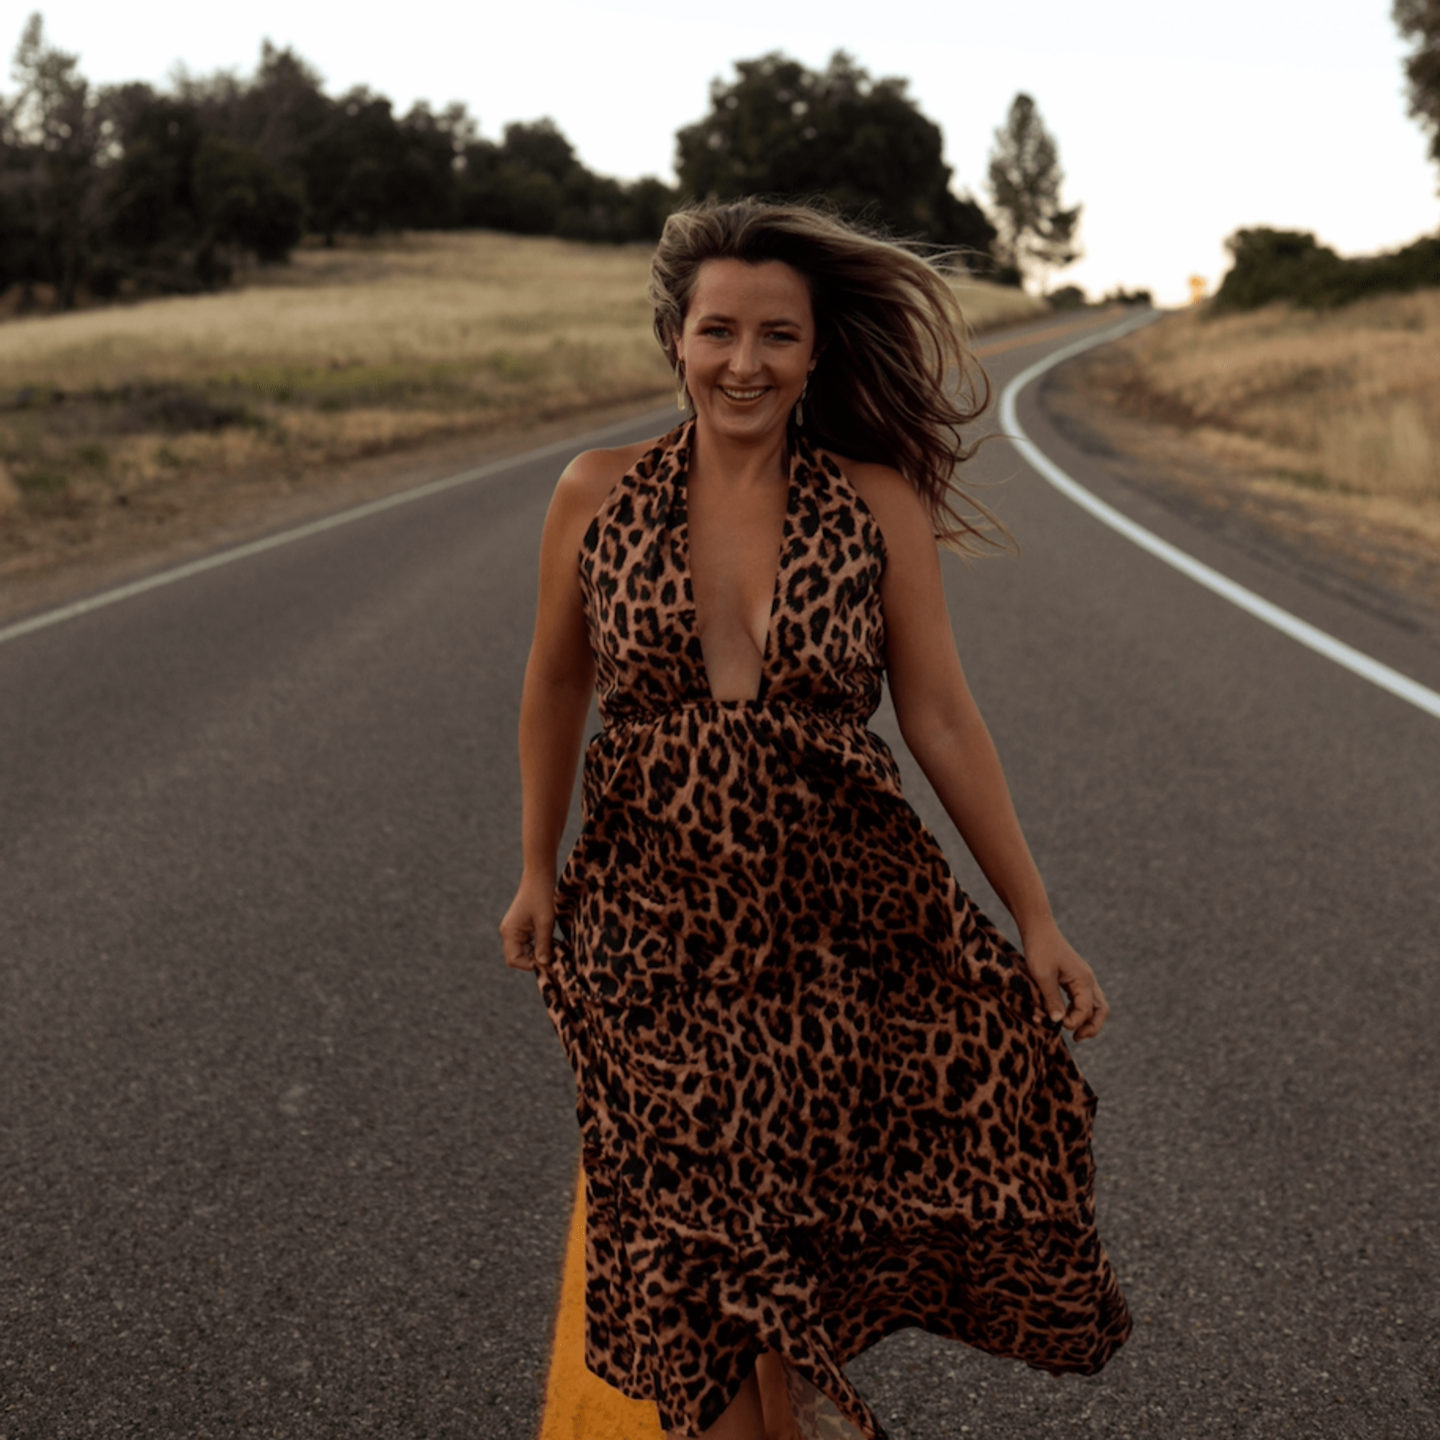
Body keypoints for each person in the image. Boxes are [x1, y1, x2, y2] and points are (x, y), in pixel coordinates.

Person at [499, 199, 1131, 1440]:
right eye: (719, 331)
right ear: (675, 341)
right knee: (695, 1245)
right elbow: (555, 682)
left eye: (776, 336)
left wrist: (1036, 916)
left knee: (767, 1251)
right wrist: (534, 871)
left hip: (831, 935)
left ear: (815, 352)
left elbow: (940, 717)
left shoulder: (878, 503)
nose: (746, 362)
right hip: (648, 934)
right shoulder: (594, 491)